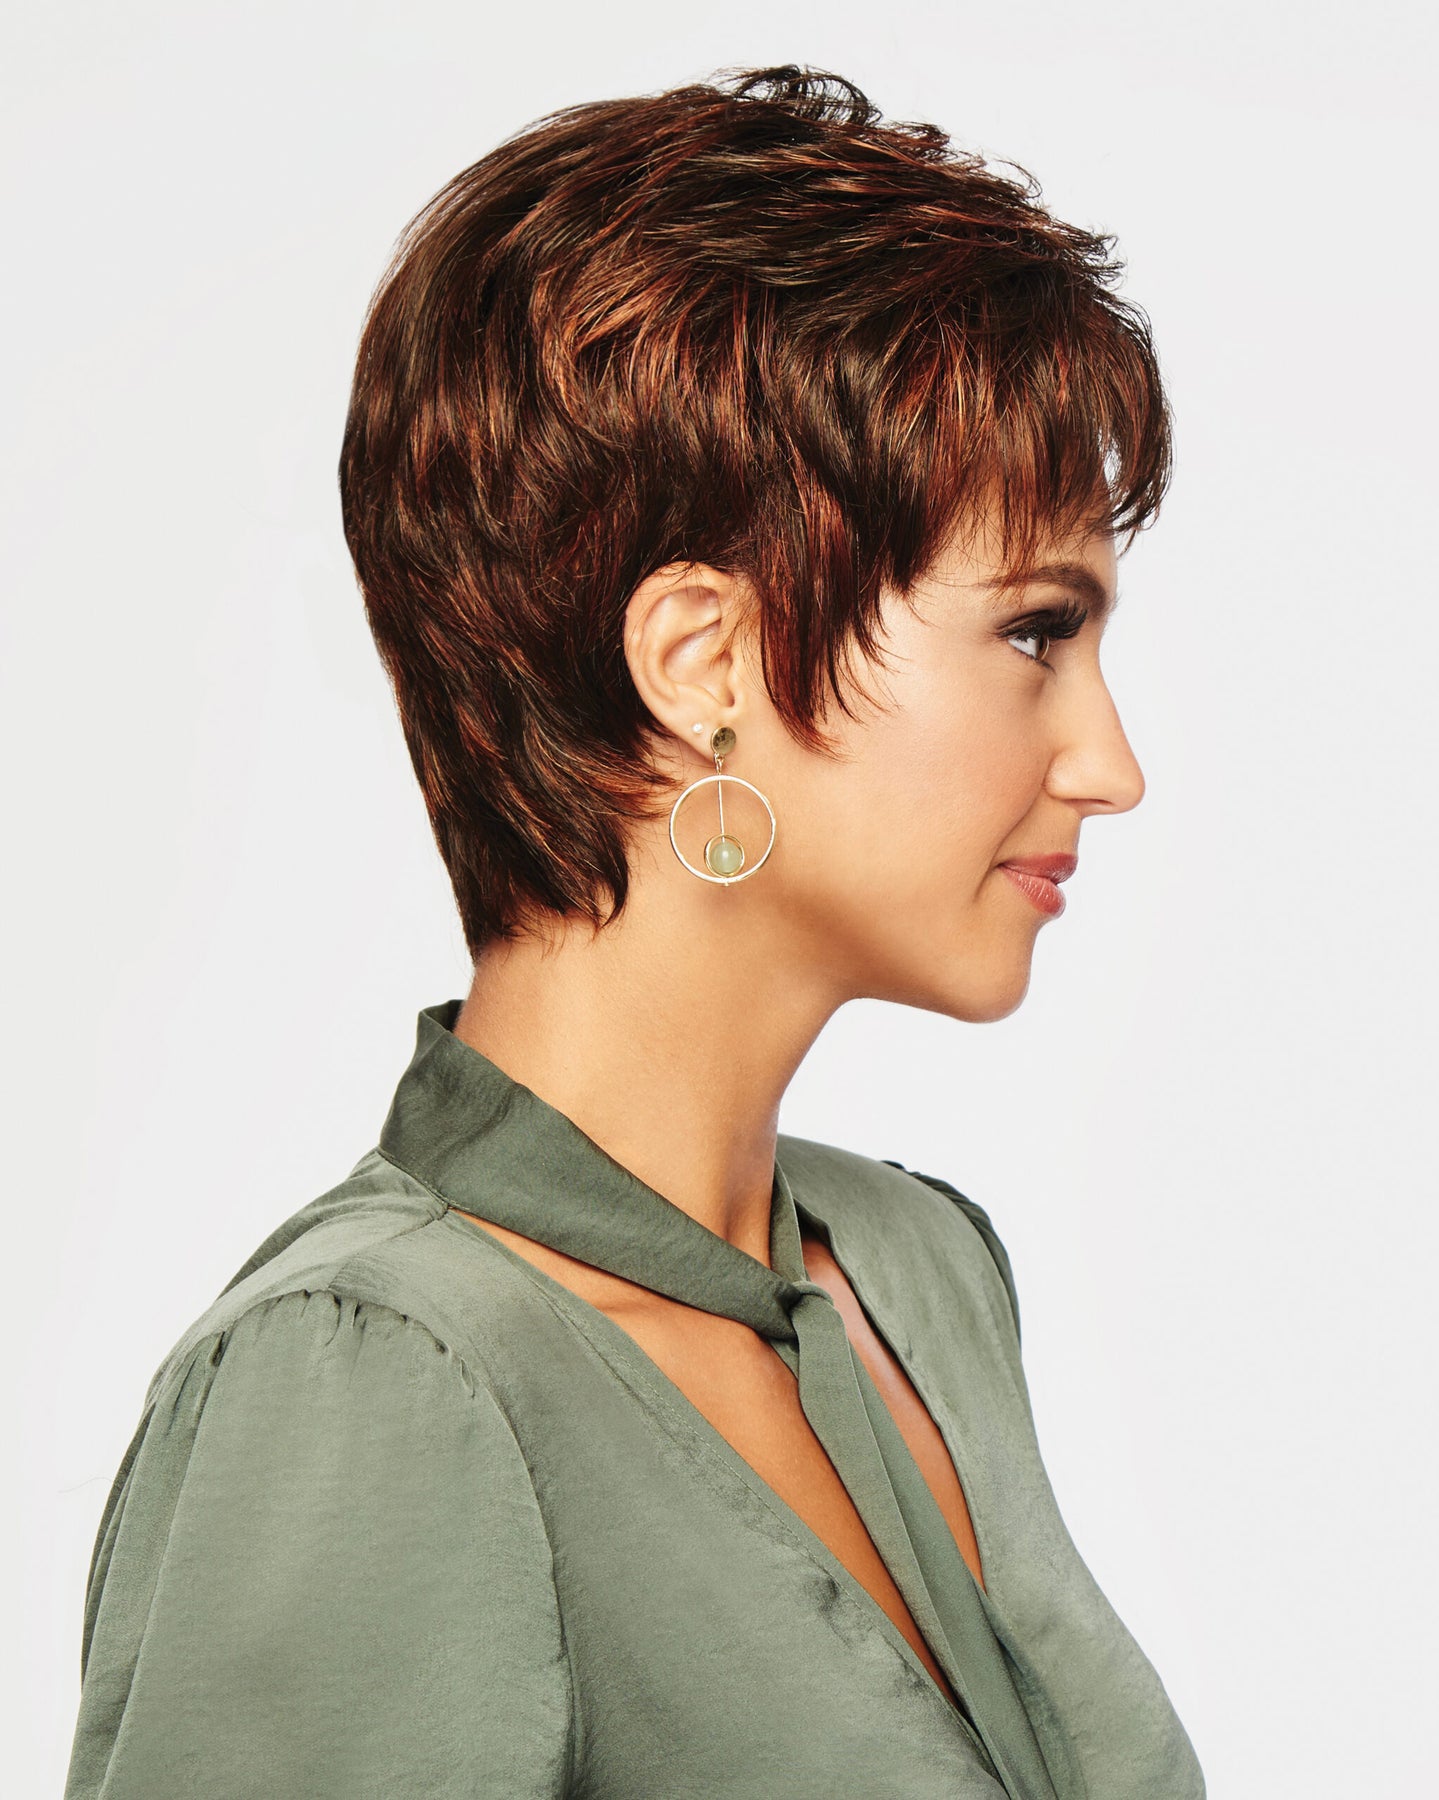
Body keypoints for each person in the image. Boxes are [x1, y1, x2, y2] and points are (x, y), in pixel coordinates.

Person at [63, 64, 1206, 1799]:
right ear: (705, 660)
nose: (1110, 766)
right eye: (1038, 631)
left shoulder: (919, 1276)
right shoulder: (377, 1380)